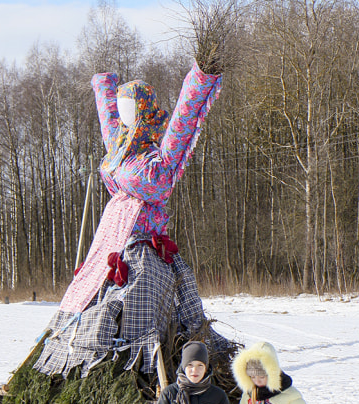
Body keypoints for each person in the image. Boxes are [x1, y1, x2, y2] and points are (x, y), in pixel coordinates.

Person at [32, 61, 225, 379]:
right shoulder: (119, 147)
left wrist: (202, 76)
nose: (123, 114)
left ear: (143, 109)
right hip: (111, 245)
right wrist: (102, 84)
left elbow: (184, 120)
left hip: (145, 249)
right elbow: (107, 118)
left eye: (129, 107)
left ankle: (146, 369)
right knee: (93, 301)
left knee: (141, 301)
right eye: (120, 107)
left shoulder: (160, 159)